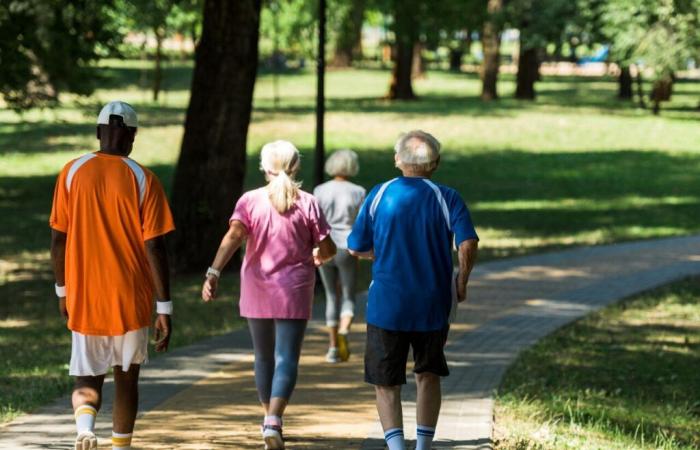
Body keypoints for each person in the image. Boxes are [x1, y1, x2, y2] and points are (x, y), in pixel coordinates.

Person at [49, 101, 175, 450]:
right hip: (131, 297)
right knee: (126, 378)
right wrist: (164, 306)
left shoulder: (71, 172)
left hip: (84, 294)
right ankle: (120, 447)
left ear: (98, 132)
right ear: (132, 136)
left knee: (86, 376)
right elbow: (155, 247)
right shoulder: (144, 178)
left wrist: (62, 291)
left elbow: (58, 238)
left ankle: (85, 429)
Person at [348, 130, 479, 450]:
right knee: (428, 374)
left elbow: (356, 247)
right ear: (435, 163)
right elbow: (468, 242)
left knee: (385, 381)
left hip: (386, 304)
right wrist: (461, 281)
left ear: (397, 160)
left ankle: (396, 447)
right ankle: (423, 445)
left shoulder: (379, 194)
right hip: (433, 302)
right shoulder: (447, 197)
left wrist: (382, 253)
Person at [201, 140, 336, 450]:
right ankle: (273, 420)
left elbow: (234, 236)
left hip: (257, 286)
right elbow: (327, 247)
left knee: (263, 356)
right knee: (287, 356)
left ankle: (269, 420)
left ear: (264, 168)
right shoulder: (308, 202)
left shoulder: (249, 201)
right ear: (296, 166)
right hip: (295, 289)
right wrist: (321, 254)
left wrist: (214, 271)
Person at [313, 149, 366, 363]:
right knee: (347, 294)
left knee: (330, 295)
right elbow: (362, 223)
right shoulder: (358, 191)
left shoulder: (320, 190)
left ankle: (333, 346)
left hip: (325, 245)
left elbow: (314, 220)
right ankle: (345, 329)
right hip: (347, 247)